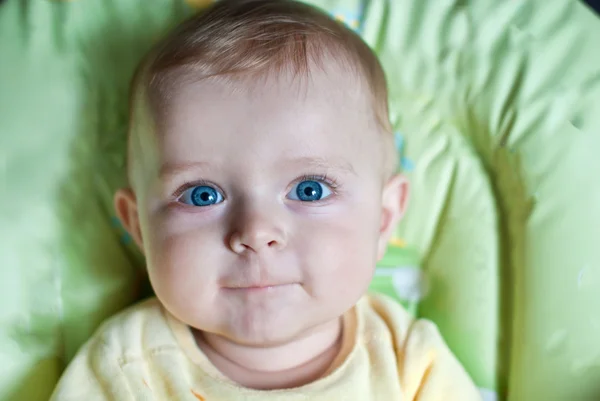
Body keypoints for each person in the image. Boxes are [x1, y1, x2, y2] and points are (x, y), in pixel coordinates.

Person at [51, 1, 481, 399]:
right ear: (139, 226)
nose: (255, 232)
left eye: (309, 189)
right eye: (202, 195)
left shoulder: (408, 360)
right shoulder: (126, 366)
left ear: (384, 217)